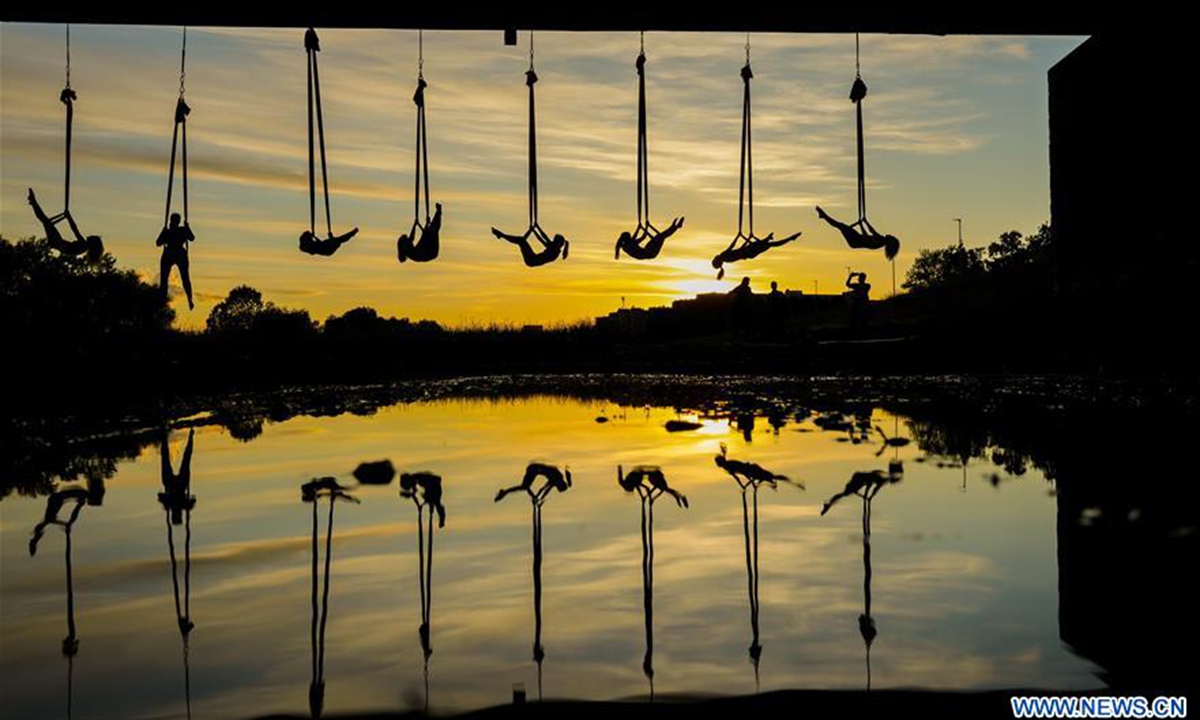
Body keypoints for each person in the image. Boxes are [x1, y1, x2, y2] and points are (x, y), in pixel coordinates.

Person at [28, 188, 104, 263]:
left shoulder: (83, 246)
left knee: (46, 221)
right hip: (58, 243)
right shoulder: (83, 246)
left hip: (58, 242)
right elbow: (74, 229)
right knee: (45, 221)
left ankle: (33, 202)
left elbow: (74, 229)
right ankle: (33, 202)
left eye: (93, 237)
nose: (90, 236)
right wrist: (67, 217)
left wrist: (68, 217)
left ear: (93, 244)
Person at [816, 206, 899, 261]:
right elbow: (872, 231)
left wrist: (862, 225)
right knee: (841, 226)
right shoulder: (881, 239)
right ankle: (824, 216)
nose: (890, 234)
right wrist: (865, 222)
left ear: (889, 242)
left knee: (841, 226)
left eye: (891, 237)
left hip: (855, 241)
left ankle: (824, 216)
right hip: (857, 238)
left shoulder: (879, 243)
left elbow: (865, 238)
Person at [711, 231, 802, 279]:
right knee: (770, 244)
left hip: (748, 251)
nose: (715, 256)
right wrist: (743, 238)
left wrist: (742, 238)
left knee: (766, 244)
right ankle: (789, 239)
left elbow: (737, 249)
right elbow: (738, 250)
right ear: (718, 261)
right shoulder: (725, 257)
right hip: (749, 252)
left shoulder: (725, 257)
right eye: (715, 259)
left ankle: (769, 238)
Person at [157, 212, 196, 310]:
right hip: (173, 253)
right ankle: (162, 299)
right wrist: (163, 231)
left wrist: (187, 228)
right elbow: (158, 243)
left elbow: (191, 238)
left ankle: (189, 299)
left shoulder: (179, 230)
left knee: (183, 278)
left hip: (175, 253)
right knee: (166, 279)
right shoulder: (172, 231)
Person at [492, 226, 569, 267]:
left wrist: (534, 230)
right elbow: (545, 237)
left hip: (531, 260)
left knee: (521, 240)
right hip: (532, 257)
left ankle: (501, 235)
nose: (552, 240)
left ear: (558, 243)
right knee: (521, 240)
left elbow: (541, 240)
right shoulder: (554, 247)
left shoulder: (555, 251)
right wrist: (537, 227)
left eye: (554, 240)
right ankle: (501, 235)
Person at [614, 217, 685, 260]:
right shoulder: (627, 247)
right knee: (660, 237)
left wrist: (645, 227)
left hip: (648, 251)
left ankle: (675, 227)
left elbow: (643, 237)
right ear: (627, 239)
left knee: (661, 236)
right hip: (649, 253)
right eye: (630, 237)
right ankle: (675, 227)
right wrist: (642, 228)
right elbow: (635, 237)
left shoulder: (629, 243)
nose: (631, 237)